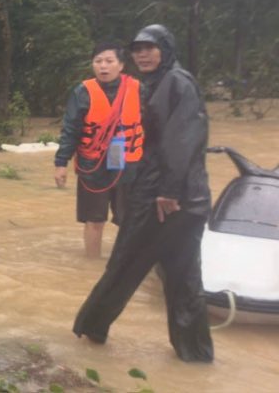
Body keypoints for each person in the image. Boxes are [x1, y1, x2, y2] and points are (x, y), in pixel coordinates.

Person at [73, 24, 214, 362]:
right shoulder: (154, 84)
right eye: (137, 50)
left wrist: (168, 191)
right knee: (183, 278)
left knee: (125, 263)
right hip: (183, 199)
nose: (143, 55)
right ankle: (195, 356)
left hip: (164, 199)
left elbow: (181, 141)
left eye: (150, 48)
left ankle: (89, 334)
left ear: (166, 49)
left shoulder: (177, 83)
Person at [53, 41, 144, 258]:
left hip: (128, 164)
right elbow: (70, 130)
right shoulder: (82, 92)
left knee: (129, 218)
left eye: (109, 61)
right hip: (92, 165)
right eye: (98, 61)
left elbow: (155, 127)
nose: (103, 66)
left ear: (121, 65)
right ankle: (91, 264)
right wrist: (61, 163)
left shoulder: (139, 89)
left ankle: (126, 264)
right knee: (94, 219)